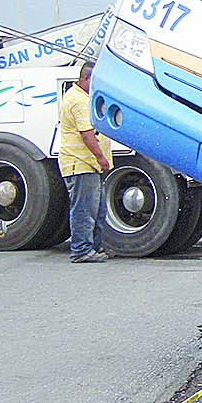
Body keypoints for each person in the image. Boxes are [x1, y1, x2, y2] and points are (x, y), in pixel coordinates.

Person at [59, 61, 114, 263]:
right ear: (86, 78)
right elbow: (87, 134)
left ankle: (95, 247)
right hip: (80, 163)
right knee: (84, 210)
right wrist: (100, 157)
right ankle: (81, 250)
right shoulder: (78, 101)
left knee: (98, 209)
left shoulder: (83, 97)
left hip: (90, 165)